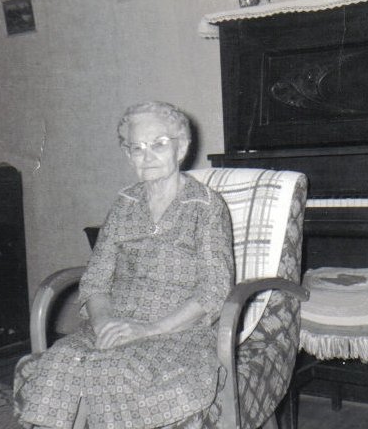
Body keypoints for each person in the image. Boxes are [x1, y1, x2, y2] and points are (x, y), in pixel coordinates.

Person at [14, 101, 235, 429]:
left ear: (182, 148)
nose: (147, 156)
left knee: (110, 372)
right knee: (60, 362)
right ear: (127, 155)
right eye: (137, 148)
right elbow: (96, 279)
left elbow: (214, 290)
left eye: (159, 145)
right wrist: (105, 325)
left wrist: (149, 330)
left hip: (177, 332)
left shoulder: (206, 207)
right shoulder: (124, 204)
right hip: (116, 325)